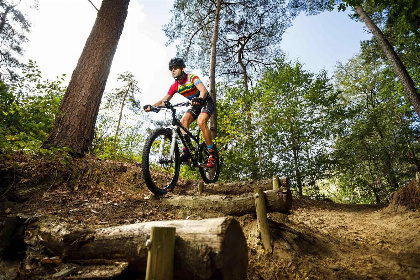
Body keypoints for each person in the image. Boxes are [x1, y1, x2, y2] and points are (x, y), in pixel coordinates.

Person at [143, 58, 216, 168]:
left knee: (201, 122)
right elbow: (164, 101)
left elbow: (203, 91)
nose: (173, 71)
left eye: (175, 68)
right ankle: (187, 151)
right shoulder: (175, 86)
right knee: (183, 122)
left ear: (182, 68)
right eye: (171, 69)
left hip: (205, 101)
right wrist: (152, 107)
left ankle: (212, 153)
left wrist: (200, 98)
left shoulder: (192, 78)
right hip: (195, 104)